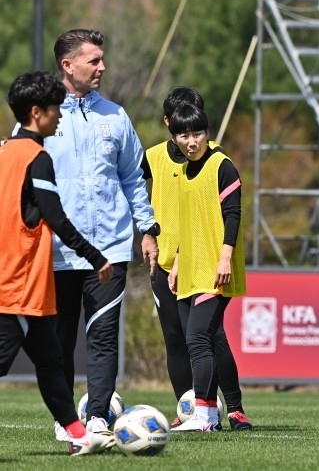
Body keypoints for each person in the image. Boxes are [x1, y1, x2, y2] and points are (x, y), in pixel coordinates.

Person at [46, 29, 160, 439]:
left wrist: (147, 229)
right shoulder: (41, 115)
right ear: (68, 65)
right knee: (59, 342)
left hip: (108, 249)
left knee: (104, 336)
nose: (102, 68)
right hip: (56, 250)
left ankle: (96, 416)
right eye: (93, 60)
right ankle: (65, 420)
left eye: (102, 59)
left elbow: (133, 178)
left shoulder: (117, 115)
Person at [0, 71, 115, 455]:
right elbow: (57, 217)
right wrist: (96, 255)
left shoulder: (3, 151)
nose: (61, 116)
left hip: (25, 292)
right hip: (13, 289)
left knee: (51, 365)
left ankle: (78, 436)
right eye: (55, 109)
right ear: (37, 113)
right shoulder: (36, 157)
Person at [142, 86, 251, 430]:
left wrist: (224, 256)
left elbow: (230, 213)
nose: (192, 139)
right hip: (169, 263)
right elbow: (130, 185)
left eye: (197, 129)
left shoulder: (214, 161)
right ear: (170, 126)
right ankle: (190, 410)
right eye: (184, 131)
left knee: (206, 337)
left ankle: (231, 408)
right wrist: (149, 235)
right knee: (179, 339)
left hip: (207, 263)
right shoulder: (157, 157)